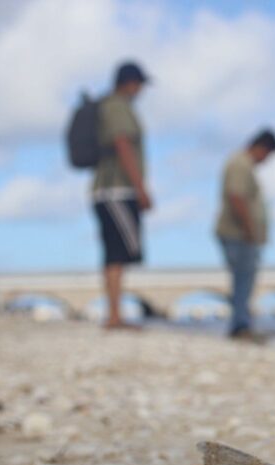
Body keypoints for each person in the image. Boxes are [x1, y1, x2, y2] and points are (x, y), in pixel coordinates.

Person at [92, 61, 153, 329]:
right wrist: (140, 188)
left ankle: (114, 314)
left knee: (114, 254)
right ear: (129, 83)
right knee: (117, 254)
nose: (141, 90)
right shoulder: (117, 107)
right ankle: (115, 316)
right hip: (116, 190)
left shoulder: (112, 106)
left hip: (109, 190)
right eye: (140, 84)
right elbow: (122, 143)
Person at [215, 128, 275, 340]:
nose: (267, 161)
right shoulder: (240, 164)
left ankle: (241, 324)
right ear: (262, 148)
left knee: (243, 280)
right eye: (268, 155)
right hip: (238, 234)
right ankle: (241, 326)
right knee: (243, 280)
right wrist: (250, 230)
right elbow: (237, 198)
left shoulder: (241, 164)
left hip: (240, 234)